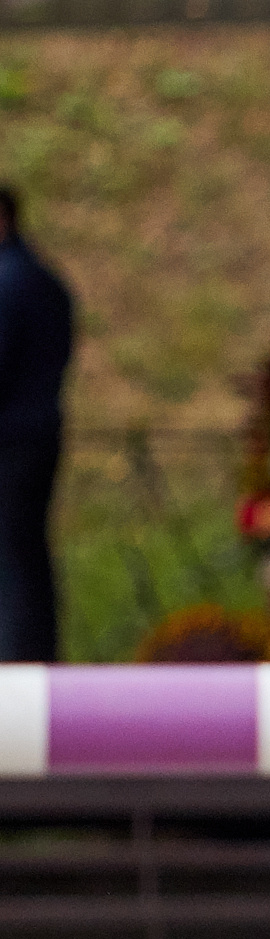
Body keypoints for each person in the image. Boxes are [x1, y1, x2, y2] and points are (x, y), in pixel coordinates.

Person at [0, 187, 74, 663]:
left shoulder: (8, 280)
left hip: (8, 439)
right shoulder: (46, 279)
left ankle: (14, 661)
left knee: (10, 557)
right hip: (39, 432)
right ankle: (33, 656)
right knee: (27, 552)